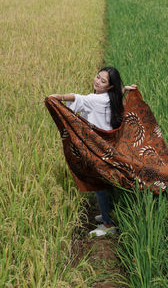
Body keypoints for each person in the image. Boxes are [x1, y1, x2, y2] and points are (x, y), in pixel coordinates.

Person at [49, 67, 137, 236]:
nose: (97, 81)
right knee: (105, 183)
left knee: (99, 186)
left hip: (98, 149)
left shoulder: (94, 100)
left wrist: (57, 97)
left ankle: (108, 224)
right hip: (108, 147)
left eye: (103, 81)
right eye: (98, 77)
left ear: (110, 87)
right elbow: (117, 95)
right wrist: (125, 90)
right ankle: (107, 213)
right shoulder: (111, 98)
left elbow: (77, 98)